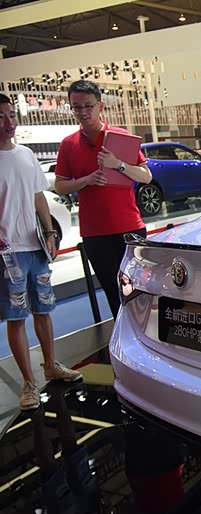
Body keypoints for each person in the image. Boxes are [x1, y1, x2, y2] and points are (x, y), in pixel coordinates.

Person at [0, 93, 83, 410]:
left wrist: (49, 232)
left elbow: (39, 197)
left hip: (35, 246)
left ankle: (50, 365)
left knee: (43, 309)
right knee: (16, 316)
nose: (8, 122)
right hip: (8, 253)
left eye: (11, 115)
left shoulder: (26, 155)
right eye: (1, 117)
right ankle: (28, 383)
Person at [54, 80, 151, 317]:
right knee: (112, 292)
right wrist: (86, 180)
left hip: (129, 228)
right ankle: (122, 336)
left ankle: (146, 335)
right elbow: (60, 186)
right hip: (95, 233)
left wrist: (118, 164)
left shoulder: (120, 137)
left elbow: (146, 176)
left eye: (88, 106)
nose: (83, 112)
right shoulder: (68, 144)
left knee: (140, 291)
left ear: (100, 106)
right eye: (77, 107)